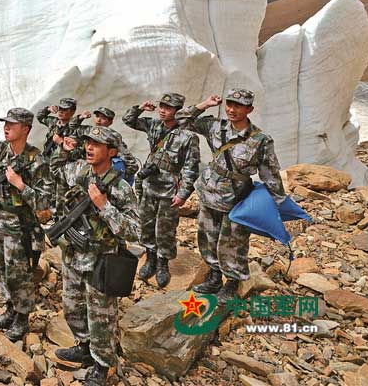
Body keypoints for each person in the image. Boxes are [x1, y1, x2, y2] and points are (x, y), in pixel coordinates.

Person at [176, 89, 286, 301]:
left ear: (250, 109)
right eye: (229, 104)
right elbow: (181, 120)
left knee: (233, 243)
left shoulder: (260, 140)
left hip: (236, 199)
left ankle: (232, 282)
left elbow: (270, 174)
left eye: (238, 106)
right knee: (207, 238)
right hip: (209, 193)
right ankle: (214, 276)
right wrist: (204, 104)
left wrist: (279, 204)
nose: (231, 109)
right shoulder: (216, 126)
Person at [50, 127, 139, 386]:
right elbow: (54, 171)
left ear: (111, 151)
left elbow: (135, 231)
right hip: (73, 255)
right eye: (87, 142)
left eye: (96, 144)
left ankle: (102, 363)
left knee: (101, 317)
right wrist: (62, 151)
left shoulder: (121, 188)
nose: (89, 147)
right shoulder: (80, 171)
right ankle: (84, 346)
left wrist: (104, 206)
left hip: (101, 260)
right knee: (71, 307)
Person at [0, 108, 52, 341]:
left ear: (26, 129)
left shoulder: (37, 160)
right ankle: (10, 306)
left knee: (19, 274)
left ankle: (22, 317)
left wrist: (21, 185)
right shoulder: (1, 150)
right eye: (5, 123)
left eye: (12, 124)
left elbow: (45, 201)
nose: (6, 127)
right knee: (0, 269)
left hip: (19, 227)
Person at [122, 93, 200, 288]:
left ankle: (163, 263)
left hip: (169, 189)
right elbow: (128, 120)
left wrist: (183, 194)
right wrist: (140, 107)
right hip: (149, 184)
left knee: (165, 229)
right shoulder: (154, 125)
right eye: (161, 106)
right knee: (147, 224)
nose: (163, 110)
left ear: (177, 111)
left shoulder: (188, 137)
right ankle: (150, 258)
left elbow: (192, 168)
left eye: (168, 107)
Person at [67, 106, 139, 180]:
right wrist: (80, 117)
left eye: (103, 118)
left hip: (102, 175)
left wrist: (117, 180)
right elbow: (71, 126)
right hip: (84, 171)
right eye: (97, 116)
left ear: (110, 122)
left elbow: (131, 164)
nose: (98, 120)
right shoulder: (88, 131)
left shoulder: (113, 138)